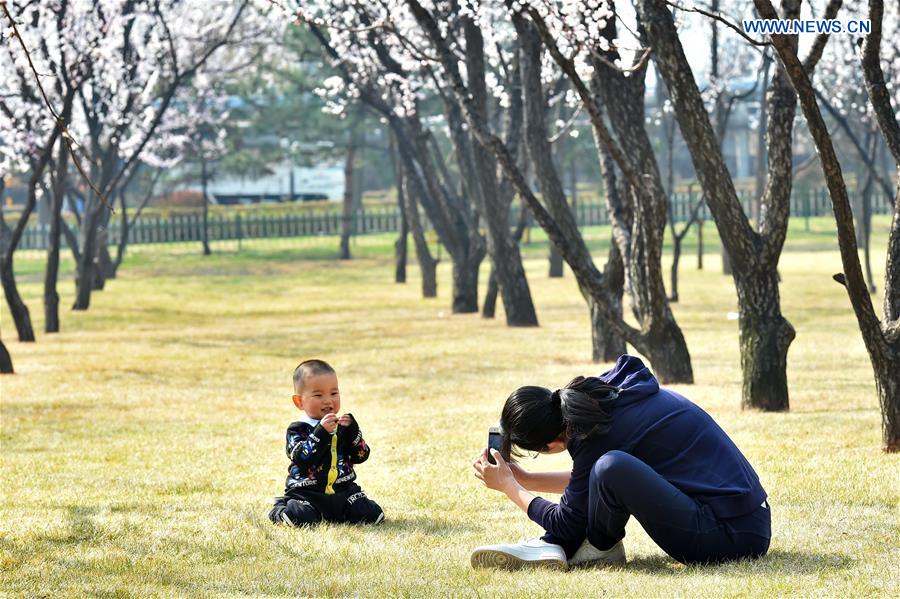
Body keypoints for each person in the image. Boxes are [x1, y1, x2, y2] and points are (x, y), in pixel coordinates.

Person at [470, 355, 770, 570]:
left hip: (730, 537)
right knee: (608, 468)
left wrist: (510, 486)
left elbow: (569, 520)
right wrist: (528, 480)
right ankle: (562, 546)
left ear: (550, 444)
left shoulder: (591, 434)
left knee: (610, 467)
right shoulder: (606, 400)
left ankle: (587, 548)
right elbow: (590, 483)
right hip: (747, 522)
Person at [268, 359, 384, 527]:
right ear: (299, 402)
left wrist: (353, 432)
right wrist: (321, 432)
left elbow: (361, 456)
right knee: (299, 517)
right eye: (318, 395)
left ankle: (342, 511)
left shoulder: (343, 427)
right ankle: (281, 509)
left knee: (372, 514)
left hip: (343, 491)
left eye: (334, 393)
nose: (328, 400)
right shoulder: (297, 430)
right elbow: (302, 458)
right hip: (307, 494)